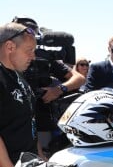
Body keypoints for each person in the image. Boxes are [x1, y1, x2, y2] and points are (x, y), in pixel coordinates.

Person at [12, 16, 85, 154]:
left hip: (43, 123)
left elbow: (79, 79)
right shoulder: (6, 56)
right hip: (13, 125)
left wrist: (59, 89)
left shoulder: (44, 56)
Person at [0, 22, 44, 167]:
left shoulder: (20, 78)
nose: (33, 57)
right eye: (29, 51)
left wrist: (39, 157)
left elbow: (29, 120)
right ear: (10, 47)